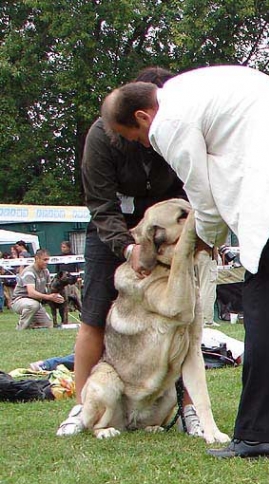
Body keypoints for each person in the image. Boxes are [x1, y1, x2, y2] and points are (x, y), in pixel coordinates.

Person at [101, 65, 269, 458]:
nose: (141, 144)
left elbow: (201, 196)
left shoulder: (166, 121)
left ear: (141, 117)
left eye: (132, 136)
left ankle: (257, 433)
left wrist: (200, 243)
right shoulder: (194, 86)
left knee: (268, 296)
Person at [56, 67, 189, 437]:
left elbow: (190, 187)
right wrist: (128, 246)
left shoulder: (177, 130)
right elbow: (100, 203)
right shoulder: (102, 136)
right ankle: (83, 406)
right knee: (94, 315)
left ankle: (188, 408)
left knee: (184, 323)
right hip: (111, 227)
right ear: (137, 115)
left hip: (167, 232)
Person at [11, 249, 64, 330]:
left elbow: (49, 289)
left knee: (48, 324)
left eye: (48, 259)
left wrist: (57, 295)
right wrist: (50, 297)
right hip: (20, 301)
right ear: (36, 259)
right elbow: (31, 293)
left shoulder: (45, 272)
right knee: (32, 305)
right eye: (44, 259)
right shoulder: (29, 272)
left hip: (35, 302)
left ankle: (30, 324)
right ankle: (20, 328)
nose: (47, 262)